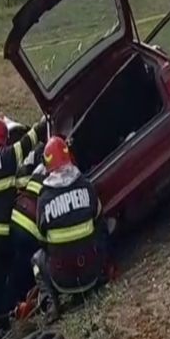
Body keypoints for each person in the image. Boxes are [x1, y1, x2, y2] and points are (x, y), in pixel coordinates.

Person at [0, 115, 48, 322]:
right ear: (4, 140)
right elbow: (29, 140)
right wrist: (44, 122)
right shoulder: (7, 157)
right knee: (3, 277)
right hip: (2, 231)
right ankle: (1, 320)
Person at [32, 136, 105, 322]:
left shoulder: (44, 199)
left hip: (62, 279)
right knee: (100, 233)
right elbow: (99, 221)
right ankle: (103, 273)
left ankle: (52, 304)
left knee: (36, 260)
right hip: (91, 273)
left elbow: (41, 239)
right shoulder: (86, 186)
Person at [8, 150, 47, 306]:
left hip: (15, 219)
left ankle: (13, 304)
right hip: (32, 230)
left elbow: (21, 184)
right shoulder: (60, 177)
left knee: (16, 265)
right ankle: (25, 302)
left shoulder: (39, 169)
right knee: (31, 268)